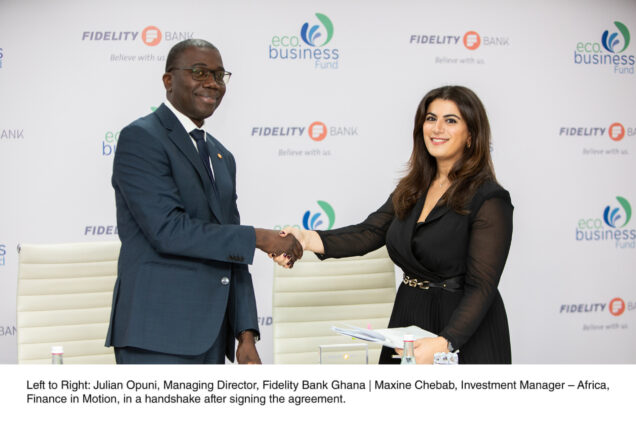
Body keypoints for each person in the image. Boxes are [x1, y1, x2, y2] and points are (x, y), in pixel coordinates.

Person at [275, 86, 513, 364]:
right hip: (409, 316)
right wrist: (303, 239)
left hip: (461, 331)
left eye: (451, 120)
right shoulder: (412, 188)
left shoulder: (489, 199)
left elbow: (482, 286)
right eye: (431, 118)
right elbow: (369, 232)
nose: (437, 128)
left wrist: (445, 342)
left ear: (471, 134)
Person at [105, 39, 302, 364]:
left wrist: (246, 334)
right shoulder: (141, 138)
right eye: (199, 72)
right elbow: (168, 230)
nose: (212, 83)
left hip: (211, 335)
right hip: (156, 333)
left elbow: (231, 249)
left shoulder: (222, 156)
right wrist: (259, 238)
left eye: (219, 75)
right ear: (168, 80)